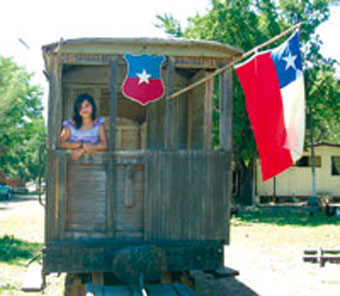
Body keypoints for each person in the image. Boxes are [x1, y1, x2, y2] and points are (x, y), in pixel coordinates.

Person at [59, 93, 107, 159]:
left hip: (95, 163)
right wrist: (80, 145)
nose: (84, 109)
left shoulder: (98, 125)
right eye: (80, 107)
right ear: (77, 109)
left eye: (87, 106)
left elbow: (104, 145)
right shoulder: (70, 125)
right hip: (71, 164)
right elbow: (61, 143)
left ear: (93, 107)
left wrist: (82, 150)